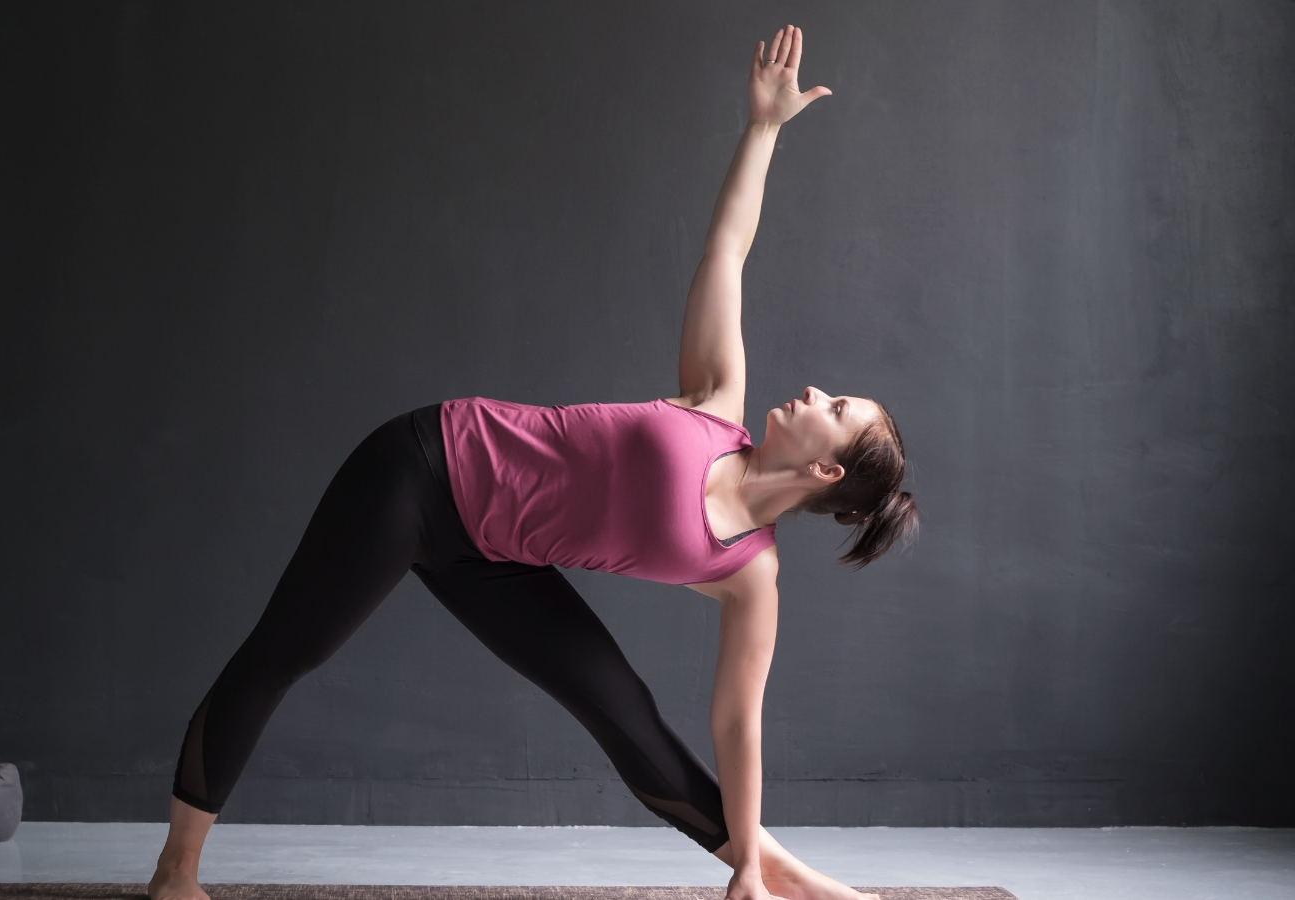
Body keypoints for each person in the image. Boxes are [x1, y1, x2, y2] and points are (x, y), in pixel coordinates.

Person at [149, 25, 914, 900]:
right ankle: (177, 871)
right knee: (288, 650)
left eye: (837, 409)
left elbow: (738, 722)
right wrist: (764, 130)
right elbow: (728, 251)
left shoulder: (751, 577)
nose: (817, 392)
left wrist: (740, 845)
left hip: (497, 557)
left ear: (828, 474)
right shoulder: (716, 401)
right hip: (425, 470)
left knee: (622, 709)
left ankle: (759, 871)